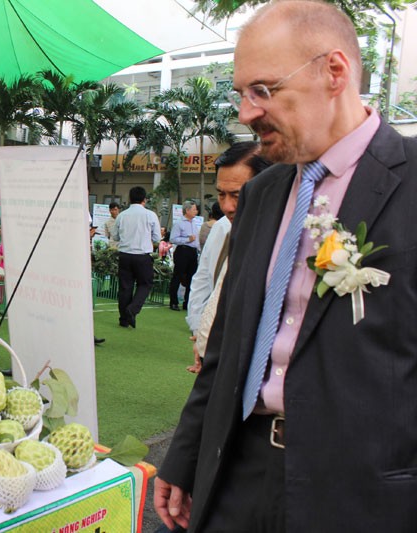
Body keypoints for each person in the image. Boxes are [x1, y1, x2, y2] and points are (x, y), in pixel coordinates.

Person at [155, 2, 417, 531]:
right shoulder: (261, 192)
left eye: (264, 90)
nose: (247, 113)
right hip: (237, 472)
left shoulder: (410, 185)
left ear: (334, 72)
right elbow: (226, 347)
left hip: (358, 495)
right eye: (242, 94)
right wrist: (184, 458)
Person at [185, 142, 271, 373]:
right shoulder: (223, 228)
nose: (227, 206)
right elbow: (205, 277)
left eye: (237, 195)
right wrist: (200, 331)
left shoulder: (287, 237)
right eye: (222, 195)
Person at [112, 186, 161, 328]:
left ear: (129, 199)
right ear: (144, 200)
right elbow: (157, 237)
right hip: (142, 255)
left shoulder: (122, 215)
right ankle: (132, 310)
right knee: (145, 284)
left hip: (125, 255)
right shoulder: (150, 215)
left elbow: (115, 236)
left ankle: (124, 319)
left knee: (125, 287)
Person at [167, 201, 199, 311]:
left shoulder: (194, 223)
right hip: (182, 251)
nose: (196, 211)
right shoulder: (179, 223)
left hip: (193, 252)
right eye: (194, 209)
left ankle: (187, 303)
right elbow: (172, 239)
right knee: (178, 276)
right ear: (187, 210)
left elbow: (197, 240)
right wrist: (187, 239)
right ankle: (173, 302)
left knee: (191, 278)